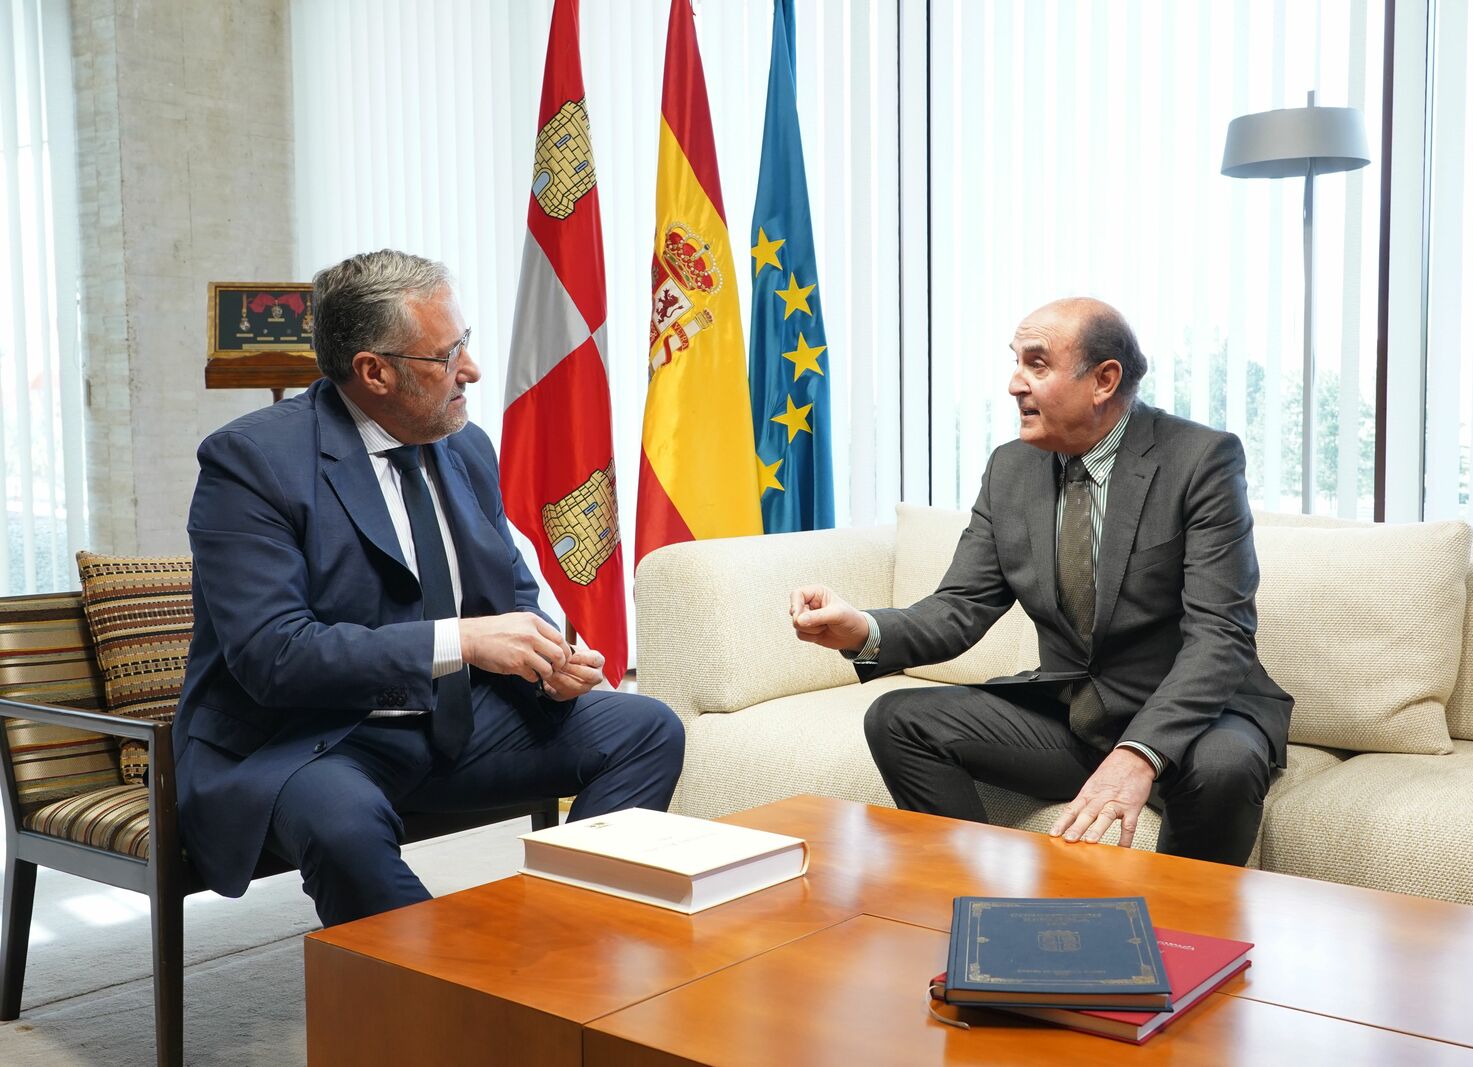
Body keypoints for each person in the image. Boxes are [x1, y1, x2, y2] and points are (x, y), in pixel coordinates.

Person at [175, 250, 684, 924]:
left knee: (647, 729)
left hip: (448, 723)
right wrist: (463, 641)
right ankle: (454, 1003)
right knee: (342, 826)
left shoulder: (463, 445)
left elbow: (508, 593)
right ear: (373, 371)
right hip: (307, 740)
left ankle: (565, 940)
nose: (470, 370)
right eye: (445, 357)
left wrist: (546, 664)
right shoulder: (251, 462)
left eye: (463, 344)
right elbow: (275, 656)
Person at [789, 297, 1291, 865]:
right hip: (1077, 714)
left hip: (1199, 720)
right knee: (899, 719)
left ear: (1104, 380)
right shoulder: (1010, 469)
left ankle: (1179, 943)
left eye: (1037, 364)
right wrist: (863, 629)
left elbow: (1220, 635)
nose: (1013, 384)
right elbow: (960, 607)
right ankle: (982, 911)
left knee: (1224, 768)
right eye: (1016, 362)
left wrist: (1140, 753)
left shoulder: (1200, 460)